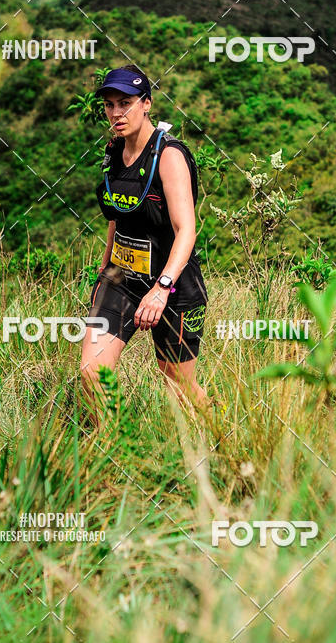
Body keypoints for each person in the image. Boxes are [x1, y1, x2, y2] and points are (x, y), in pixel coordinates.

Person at [80, 64, 209, 422]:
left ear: (147, 103)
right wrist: (104, 268)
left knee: (178, 386)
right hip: (122, 278)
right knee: (93, 372)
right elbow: (116, 215)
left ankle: (225, 437)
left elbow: (187, 229)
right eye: (109, 104)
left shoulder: (169, 156)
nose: (116, 112)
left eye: (126, 103)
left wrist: (162, 287)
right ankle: (114, 448)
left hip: (173, 283)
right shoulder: (113, 153)